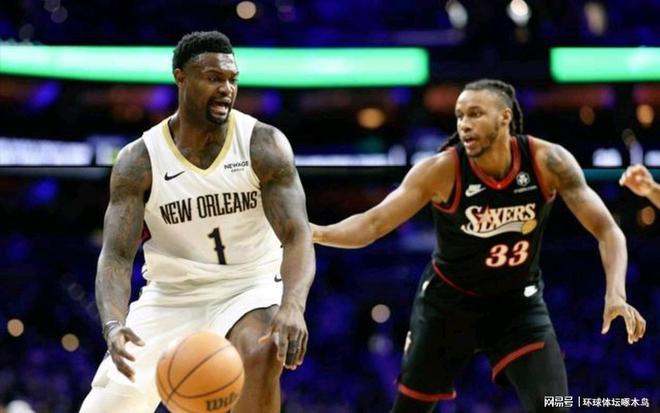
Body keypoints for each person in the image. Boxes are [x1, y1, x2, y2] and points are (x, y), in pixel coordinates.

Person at [312, 79, 646, 412]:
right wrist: (317, 233)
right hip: (448, 305)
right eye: (459, 116)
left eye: (475, 114)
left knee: (554, 406)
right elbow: (373, 224)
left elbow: (608, 230)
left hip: (518, 305)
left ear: (505, 117)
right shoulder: (442, 169)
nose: (464, 124)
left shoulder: (548, 161)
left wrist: (616, 294)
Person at [80, 31, 315, 413]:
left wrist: (292, 305)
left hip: (247, 286)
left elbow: (296, 234)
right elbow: (117, 257)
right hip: (170, 295)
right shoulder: (139, 160)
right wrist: (113, 325)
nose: (226, 89)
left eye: (232, 79)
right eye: (213, 78)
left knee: (263, 348)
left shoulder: (263, 144)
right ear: (181, 78)